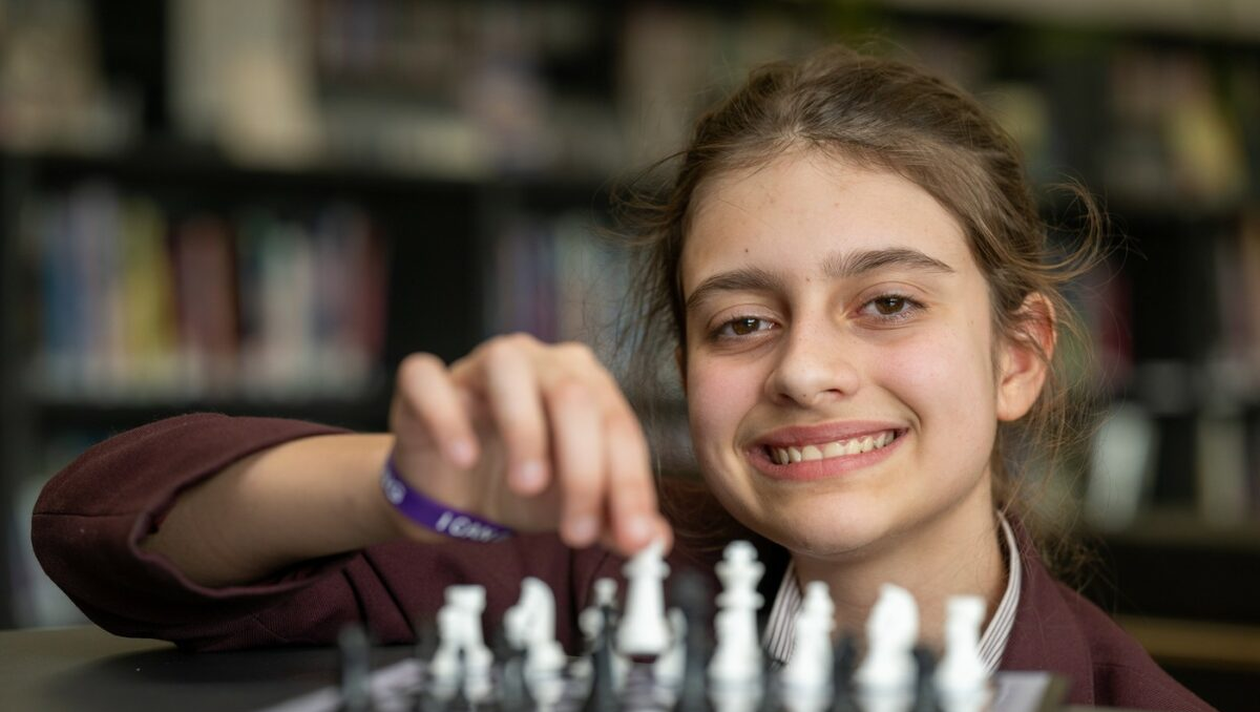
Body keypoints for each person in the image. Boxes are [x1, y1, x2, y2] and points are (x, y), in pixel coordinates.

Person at [32, 45, 1213, 710]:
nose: (806, 369)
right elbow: (107, 536)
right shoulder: (589, 571)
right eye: (742, 322)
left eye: (888, 303)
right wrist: (398, 485)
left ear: (1017, 357)